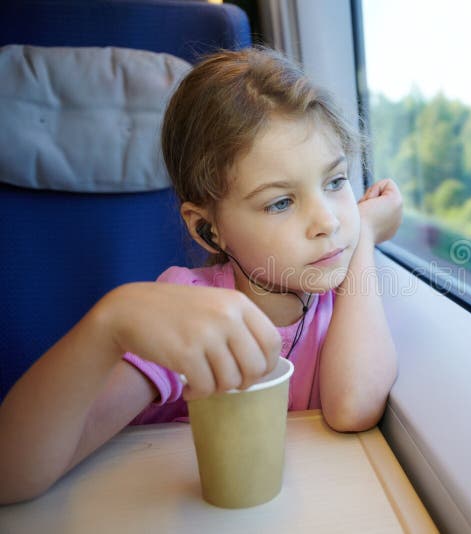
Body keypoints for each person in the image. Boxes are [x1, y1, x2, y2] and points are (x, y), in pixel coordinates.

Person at [0, 46, 401, 504]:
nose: (328, 222)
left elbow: (352, 405)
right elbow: (11, 473)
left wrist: (363, 232)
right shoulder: (186, 316)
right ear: (210, 230)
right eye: (280, 202)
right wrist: (108, 324)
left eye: (335, 182)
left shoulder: (338, 295)